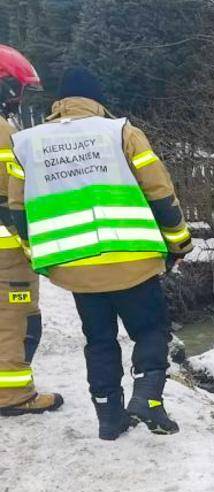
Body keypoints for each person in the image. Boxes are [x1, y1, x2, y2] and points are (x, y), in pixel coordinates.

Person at [6, 66, 192, 439]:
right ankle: (149, 401)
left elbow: (18, 209)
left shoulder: (26, 143)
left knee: (100, 341)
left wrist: (35, 255)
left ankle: (109, 419)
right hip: (134, 259)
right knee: (151, 330)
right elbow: (158, 190)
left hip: (79, 269)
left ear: (59, 102)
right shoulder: (121, 132)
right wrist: (178, 241)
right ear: (96, 100)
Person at [0, 44, 63, 416]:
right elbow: (16, 198)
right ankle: (12, 395)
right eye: (19, 90)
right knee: (16, 319)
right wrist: (34, 247)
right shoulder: (4, 134)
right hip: (7, 257)